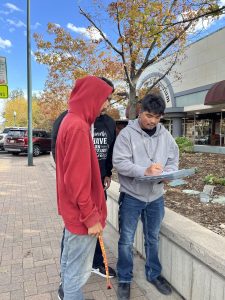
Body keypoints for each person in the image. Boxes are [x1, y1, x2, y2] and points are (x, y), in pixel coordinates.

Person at [113, 93, 179, 299]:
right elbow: (119, 163)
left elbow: (173, 159)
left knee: (153, 238)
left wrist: (169, 173)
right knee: (126, 240)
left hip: (156, 197)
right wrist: (145, 171)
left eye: (157, 117)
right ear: (140, 111)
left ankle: (153, 274)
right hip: (132, 196)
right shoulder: (126, 134)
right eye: (149, 115)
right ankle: (124, 278)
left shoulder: (165, 136)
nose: (152, 121)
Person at [56, 75, 113, 300]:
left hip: (73, 212)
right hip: (81, 216)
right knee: (76, 274)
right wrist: (91, 217)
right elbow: (77, 181)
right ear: (92, 97)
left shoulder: (71, 121)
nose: (106, 104)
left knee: (70, 265)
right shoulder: (78, 127)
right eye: (104, 98)